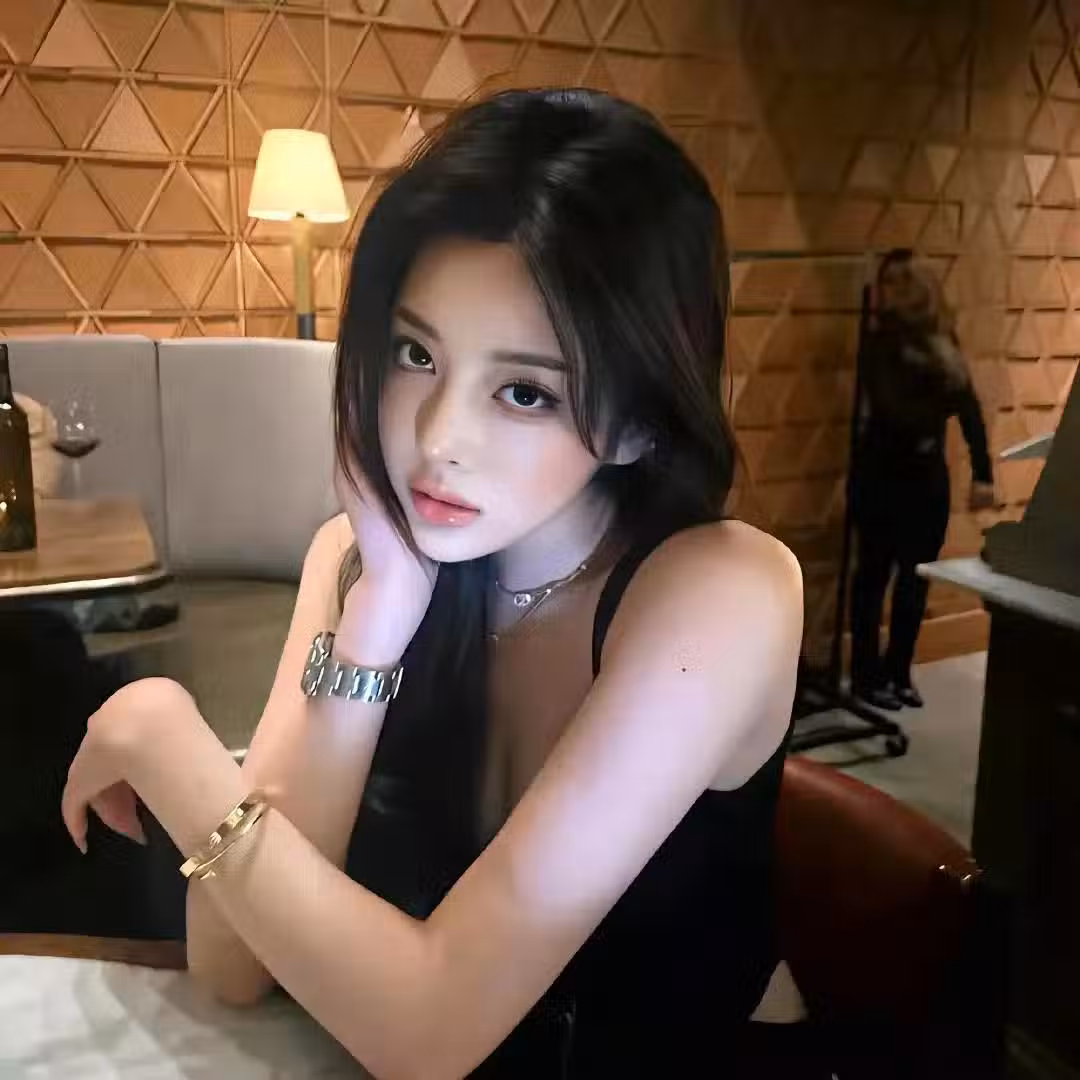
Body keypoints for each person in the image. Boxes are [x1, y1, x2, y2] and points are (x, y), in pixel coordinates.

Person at [59, 90, 813, 1077]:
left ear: (637, 423)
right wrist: (376, 626)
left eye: (526, 392)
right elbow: (237, 967)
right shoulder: (363, 556)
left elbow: (428, 1035)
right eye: (416, 353)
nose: (436, 437)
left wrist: (159, 733)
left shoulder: (722, 593)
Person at [850, 249, 995, 710]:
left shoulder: (942, 341)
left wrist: (983, 473)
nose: (893, 290)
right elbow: (897, 411)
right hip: (882, 475)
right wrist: (941, 393)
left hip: (926, 480)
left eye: (903, 280)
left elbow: (969, 408)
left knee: (916, 580)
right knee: (873, 576)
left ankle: (899, 671)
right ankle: (865, 677)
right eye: (888, 281)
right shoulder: (881, 343)